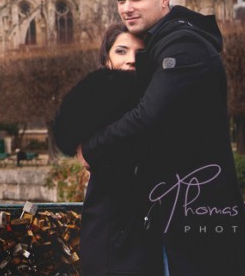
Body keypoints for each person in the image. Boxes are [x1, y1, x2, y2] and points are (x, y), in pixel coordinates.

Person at [78, 0, 245, 276]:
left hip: (197, 226)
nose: (126, 8)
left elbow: (148, 116)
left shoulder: (182, 45)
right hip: (175, 218)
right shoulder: (161, 43)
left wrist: (92, 148)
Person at [52, 23, 163, 275]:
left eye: (139, 52)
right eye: (121, 51)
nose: (131, 60)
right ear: (107, 59)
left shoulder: (152, 100)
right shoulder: (103, 96)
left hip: (141, 227)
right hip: (112, 228)